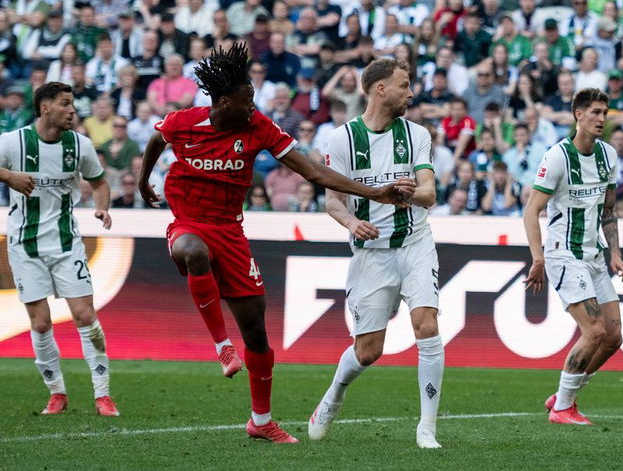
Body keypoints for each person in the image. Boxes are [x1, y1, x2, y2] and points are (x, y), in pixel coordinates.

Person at [137, 44, 415, 444]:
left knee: (257, 333)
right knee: (193, 253)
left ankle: (261, 420)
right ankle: (222, 346)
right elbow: (156, 140)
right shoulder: (185, 122)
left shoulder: (258, 127)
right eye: (247, 99)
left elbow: (313, 172)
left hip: (231, 232)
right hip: (189, 223)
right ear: (224, 102)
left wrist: (374, 193)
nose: (254, 105)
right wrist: (144, 181)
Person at [309, 59, 444, 449]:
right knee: (368, 351)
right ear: (380, 89)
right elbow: (332, 202)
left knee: (427, 325)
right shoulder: (342, 140)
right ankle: (334, 394)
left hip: (416, 243)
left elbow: (429, 193)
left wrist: (410, 193)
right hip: (371, 253)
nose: (411, 93)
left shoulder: (416, 134)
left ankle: (427, 427)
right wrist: (352, 223)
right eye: (404, 85)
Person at [0, 82, 117, 417]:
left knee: (85, 316)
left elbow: (99, 182)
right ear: (45, 107)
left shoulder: (80, 145)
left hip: (67, 243)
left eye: (72, 104)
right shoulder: (13, 142)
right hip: (25, 245)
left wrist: (102, 207)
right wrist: (8, 176)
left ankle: (103, 395)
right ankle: (57, 393)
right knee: (40, 323)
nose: (72, 110)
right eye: (65, 103)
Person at [523, 88, 623, 425]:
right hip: (564, 254)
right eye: (595, 112)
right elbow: (531, 211)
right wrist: (538, 258)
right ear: (578, 115)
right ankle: (563, 408)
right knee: (594, 330)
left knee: (613, 337)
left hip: (595, 256)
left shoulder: (608, 155)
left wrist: (615, 253)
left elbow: (608, 210)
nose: (601, 118)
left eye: (605, 113)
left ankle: (563, 394)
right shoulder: (558, 157)